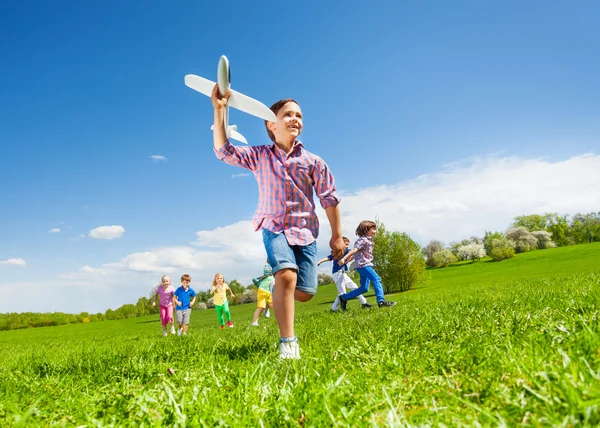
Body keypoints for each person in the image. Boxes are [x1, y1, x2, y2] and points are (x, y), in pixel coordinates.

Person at [211, 86, 344, 359]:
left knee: (305, 291)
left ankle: (278, 289)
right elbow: (224, 151)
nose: (295, 119)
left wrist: (336, 236)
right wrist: (219, 110)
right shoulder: (260, 156)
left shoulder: (313, 162)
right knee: (286, 274)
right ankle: (288, 343)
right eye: (288, 115)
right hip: (274, 227)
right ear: (271, 125)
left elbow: (329, 199)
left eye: (299, 115)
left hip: (305, 232)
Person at [338, 221, 397, 310]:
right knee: (376, 279)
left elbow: (357, 253)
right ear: (365, 230)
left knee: (364, 288)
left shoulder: (368, 240)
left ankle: (344, 298)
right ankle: (381, 302)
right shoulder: (362, 240)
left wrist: (349, 259)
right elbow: (354, 250)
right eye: (373, 229)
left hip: (363, 265)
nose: (375, 231)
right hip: (363, 265)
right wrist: (343, 259)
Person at [317, 237, 372, 311]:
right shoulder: (337, 252)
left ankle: (364, 303)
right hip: (337, 274)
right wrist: (320, 261)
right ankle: (335, 309)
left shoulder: (346, 251)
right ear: (341, 244)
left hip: (343, 273)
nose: (347, 246)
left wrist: (350, 258)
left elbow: (352, 254)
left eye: (348, 245)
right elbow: (328, 258)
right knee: (342, 292)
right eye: (346, 244)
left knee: (354, 287)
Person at [251, 260, 274, 326]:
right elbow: (267, 272)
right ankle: (254, 322)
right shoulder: (267, 267)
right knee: (261, 307)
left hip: (270, 291)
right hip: (262, 290)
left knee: (273, 304)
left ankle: (266, 307)